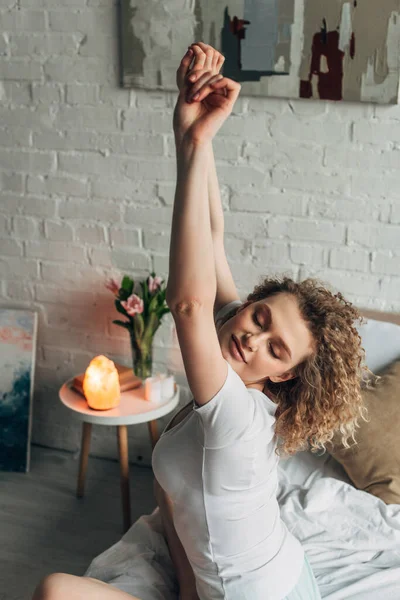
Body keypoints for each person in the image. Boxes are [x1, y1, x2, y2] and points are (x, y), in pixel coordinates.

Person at [31, 43, 369, 600]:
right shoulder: (239, 344)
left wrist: (195, 141)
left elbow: (188, 305)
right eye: (259, 317)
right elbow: (210, 238)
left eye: (276, 349)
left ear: (283, 376)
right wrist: (192, 132)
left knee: (54, 591)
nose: (252, 337)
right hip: (278, 566)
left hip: (261, 595)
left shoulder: (237, 414)